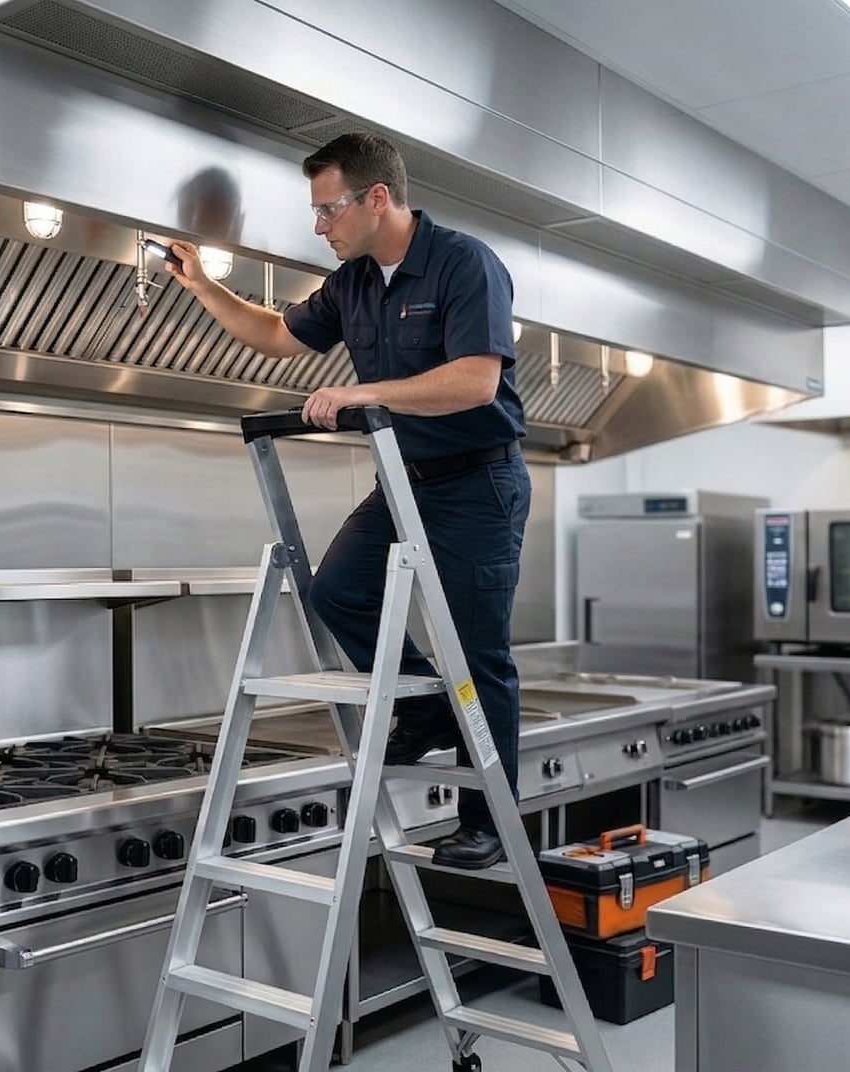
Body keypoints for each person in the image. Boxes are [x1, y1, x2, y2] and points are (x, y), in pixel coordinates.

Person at [161, 132, 530, 870]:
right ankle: (426, 708)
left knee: (475, 649)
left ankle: (487, 821)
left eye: (328, 210)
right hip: (404, 481)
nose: (320, 226)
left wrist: (361, 392)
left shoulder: (464, 264)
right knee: (335, 591)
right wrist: (201, 283)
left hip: (478, 482)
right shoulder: (353, 283)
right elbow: (272, 334)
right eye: (317, 212)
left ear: (378, 198)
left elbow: (475, 383)